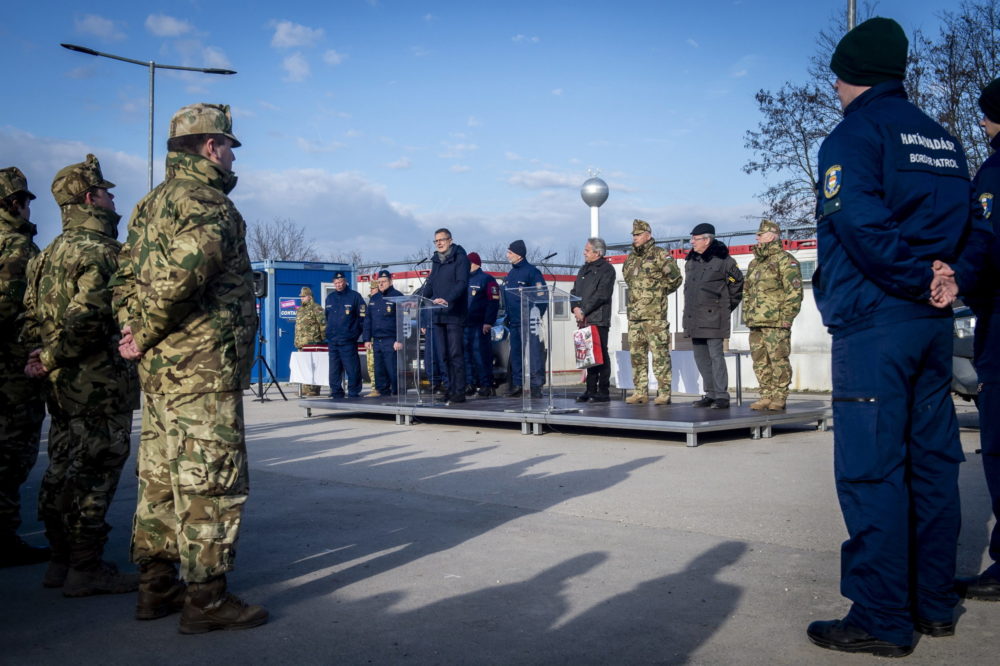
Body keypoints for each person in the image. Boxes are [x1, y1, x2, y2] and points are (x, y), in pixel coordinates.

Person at [805, 18, 983, 657]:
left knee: (873, 469)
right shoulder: (943, 140)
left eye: (836, 77)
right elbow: (972, 227)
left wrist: (915, 277)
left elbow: (861, 223)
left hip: (876, 321)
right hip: (931, 325)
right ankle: (933, 602)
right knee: (932, 463)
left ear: (850, 75)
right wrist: (949, 278)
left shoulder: (853, 136)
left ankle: (882, 616)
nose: (834, 87)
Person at [114, 103, 267, 632]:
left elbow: (124, 278)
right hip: (202, 370)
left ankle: (156, 587)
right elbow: (184, 276)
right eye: (229, 147)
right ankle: (206, 599)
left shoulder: (148, 205)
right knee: (210, 482)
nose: (232, 157)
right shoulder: (208, 203)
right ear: (210, 146)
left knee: (159, 480)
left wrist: (131, 330)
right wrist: (144, 331)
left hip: (160, 373)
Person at [20, 155, 139, 596]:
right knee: (95, 474)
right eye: (107, 193)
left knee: (61, 469)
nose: (113, 201)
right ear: (90, 198)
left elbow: (29, 318)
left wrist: (41, 357)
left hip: (60, 388)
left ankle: (60, 560)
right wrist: (52, 356)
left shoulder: (46, 255)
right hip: (99, 385)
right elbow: (87, 319)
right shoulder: (103, 252)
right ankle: (85, 567)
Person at [948, 77, 1000, 602]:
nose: (983, 122)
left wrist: (957, 280)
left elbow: (985, 245)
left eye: (987, 114)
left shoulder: (994, 173)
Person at [0, 167, 48, 568]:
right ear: (15, 204)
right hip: (12, 371)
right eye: (26, 201)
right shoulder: (18, 249)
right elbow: (14, 309)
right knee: (11, 455)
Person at [742, 220, 803, 411]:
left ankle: (779, 396)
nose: (757, 238)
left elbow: (794, 292)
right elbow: (747, 291)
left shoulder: (786, 260)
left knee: (778, 359)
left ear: (771, 235)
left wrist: (787, 318)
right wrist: (747, 315)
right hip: (756, 321)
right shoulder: (755, 263)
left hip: (776, 321)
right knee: (759, 360)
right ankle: (766, 395)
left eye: (760, 234)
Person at [682, 223, 743, 409]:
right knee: (701, 357)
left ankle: (721, 395)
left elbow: (737, 283)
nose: (692, 242)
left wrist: (724, 307)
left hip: (714, 317)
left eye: (695, 239)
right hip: (694, 317)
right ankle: (710, 393)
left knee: (716, 356)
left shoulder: (724, 260)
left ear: (707, 240)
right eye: (692, 238)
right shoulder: (692, 260)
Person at [622, 221, 683, 405]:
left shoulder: (659, 254)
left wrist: (658, 294)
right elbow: (628, 280)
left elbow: (675, 278)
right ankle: (640, 392)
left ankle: (664, 393)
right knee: (637, 356)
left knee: (660, 356)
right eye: (634, 235)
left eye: (638, 234)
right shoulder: (631, 258)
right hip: (635, 316)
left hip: (654, 316)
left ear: (648, 235)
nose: (635, 238)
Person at [419, 228, 470, 404]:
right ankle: (449, 388)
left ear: (450, 240)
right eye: (436, 241)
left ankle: (459, 391)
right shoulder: (436, 261)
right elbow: (430, 285)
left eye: (442, 240)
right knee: (443, 355)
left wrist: (447, 299)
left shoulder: (461, 258)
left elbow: (461, 284)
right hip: (438, 315)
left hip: (454, 314)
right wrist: (417, 299)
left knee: (455, 354)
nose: (439, 243)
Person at [571, 237, 618, 403]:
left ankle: (603, 391)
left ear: (597, 253)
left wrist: (584, 310)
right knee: (587, 355)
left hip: (598, 318)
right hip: (583, 319)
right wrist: (575, 308)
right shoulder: (583, 269)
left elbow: (602, 294)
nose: (584, 253)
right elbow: (574, 291)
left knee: (600, 354)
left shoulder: (607, 270)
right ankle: (590, 389)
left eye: (587, 250)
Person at [503, 240, 546, 399]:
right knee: (516, 355)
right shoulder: (511, 273)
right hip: (514, 321)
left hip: (529, 321)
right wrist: (507, 316)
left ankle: (536, 385)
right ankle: (518, 384)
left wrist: (536, 315)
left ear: (519, 255)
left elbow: (541, 297)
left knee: (534, 354)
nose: (507, 255)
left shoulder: (532, 272)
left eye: (510, 253)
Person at [324, 271, 366, 399]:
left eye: (341, 282)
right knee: (334, 370)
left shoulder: (355, 297)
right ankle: (336, 392)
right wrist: (328, 333)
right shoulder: (330, 298)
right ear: (333, 283)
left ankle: (353, 392)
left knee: (352, 369)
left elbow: (363, 317)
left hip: (348, 340)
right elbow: (327, 317)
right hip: (333, 341)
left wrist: (354, 334)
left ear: (345, 281)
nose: (339, 284)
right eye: (336, 283)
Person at [464, 252, 500, 397]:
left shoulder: (487, 279)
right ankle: (470, 383)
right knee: (466, 356)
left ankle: (486, 384)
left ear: (474, 263)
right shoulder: (463, 279)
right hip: (465, 324)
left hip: (480, 325)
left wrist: (488, 321)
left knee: (481, 355)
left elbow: (493, 302)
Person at [362, 269, 403, 396]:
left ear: (390, 281)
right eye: (379, 282)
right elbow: (368, 320)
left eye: (384, 281)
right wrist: (366, 339)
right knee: (379, 371)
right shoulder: (374, 298)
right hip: (377, 340)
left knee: (393, 370)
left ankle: (397, 394)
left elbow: (403, 320)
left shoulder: (398, 296)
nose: (381, 284)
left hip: (391, 340)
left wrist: (400, 339)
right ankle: (382, 394)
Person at [293, 286, 325, 397]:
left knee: (314, 366)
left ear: (309, 297)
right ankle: (305, 388)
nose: (301, 298)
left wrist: (322, 339)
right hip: (301, 344)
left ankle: (314, 389)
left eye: (303, 296)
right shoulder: (300, 310)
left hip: (313, 343)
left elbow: (323, 324)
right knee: (304, 366)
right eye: (301, 296)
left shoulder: (316, 308)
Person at [364, 275, 380, 397]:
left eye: (373, 288)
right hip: (372, 338)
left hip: (380, 338)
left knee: (376, 364)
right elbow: (367, 322)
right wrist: (367, 338)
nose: (371, 290)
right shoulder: (371, 302)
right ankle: (374, 387)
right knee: (370, 365)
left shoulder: (380, 300)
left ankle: (378, 388)